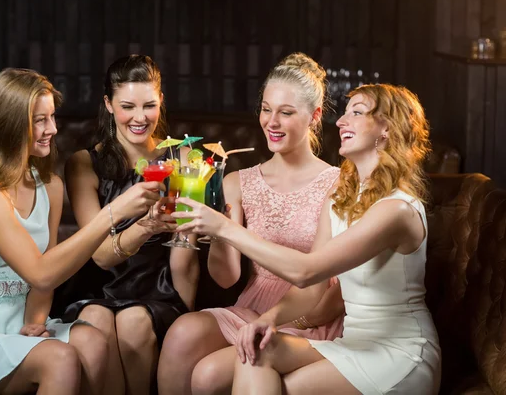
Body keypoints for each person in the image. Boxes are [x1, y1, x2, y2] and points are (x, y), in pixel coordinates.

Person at [174, 83, 441, 394]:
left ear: (386, 128)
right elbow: (311, 288)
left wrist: (224, 228)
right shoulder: (341, 199)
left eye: (356, 113)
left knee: (268, 378)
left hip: (399, 351)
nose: (340, 121)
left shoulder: (397, 210)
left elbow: (306, 270)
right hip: (353, 342)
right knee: (257, 350)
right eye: (343, 113)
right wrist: (269, 320)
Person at [0, 68, 162, 395]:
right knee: (60, 358)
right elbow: (41, 274)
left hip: (18, 321)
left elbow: (48, 268)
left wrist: (35, 323)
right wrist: (115, 212)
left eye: (52, 117)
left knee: (93, 339)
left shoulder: (50, 187)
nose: (52, 129)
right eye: (39, 120)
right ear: (8, 125)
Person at [157, 52, 345, 395]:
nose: (271, 122)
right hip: (252, 305)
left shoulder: (337, 183)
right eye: (266, 109)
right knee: (182, 332)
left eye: (285, 113)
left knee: (207, 376)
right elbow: (226, 277)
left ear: (314, 116)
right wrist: (213, 230)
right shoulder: (237, 181)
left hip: (311, 312)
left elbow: (342, 280)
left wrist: (297, 319)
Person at [57, 54, 199, 395]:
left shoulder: (182, 159)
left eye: (149, 105)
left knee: (135, 322)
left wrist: (189, 309)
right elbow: (101, 256)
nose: (140, 118)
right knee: (98, 320)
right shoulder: (84, 164)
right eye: (127, 106)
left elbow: (187, 248)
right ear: (108, 104)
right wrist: (147, 225)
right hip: (99, 286)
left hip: (159, 289)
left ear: (161, 101)